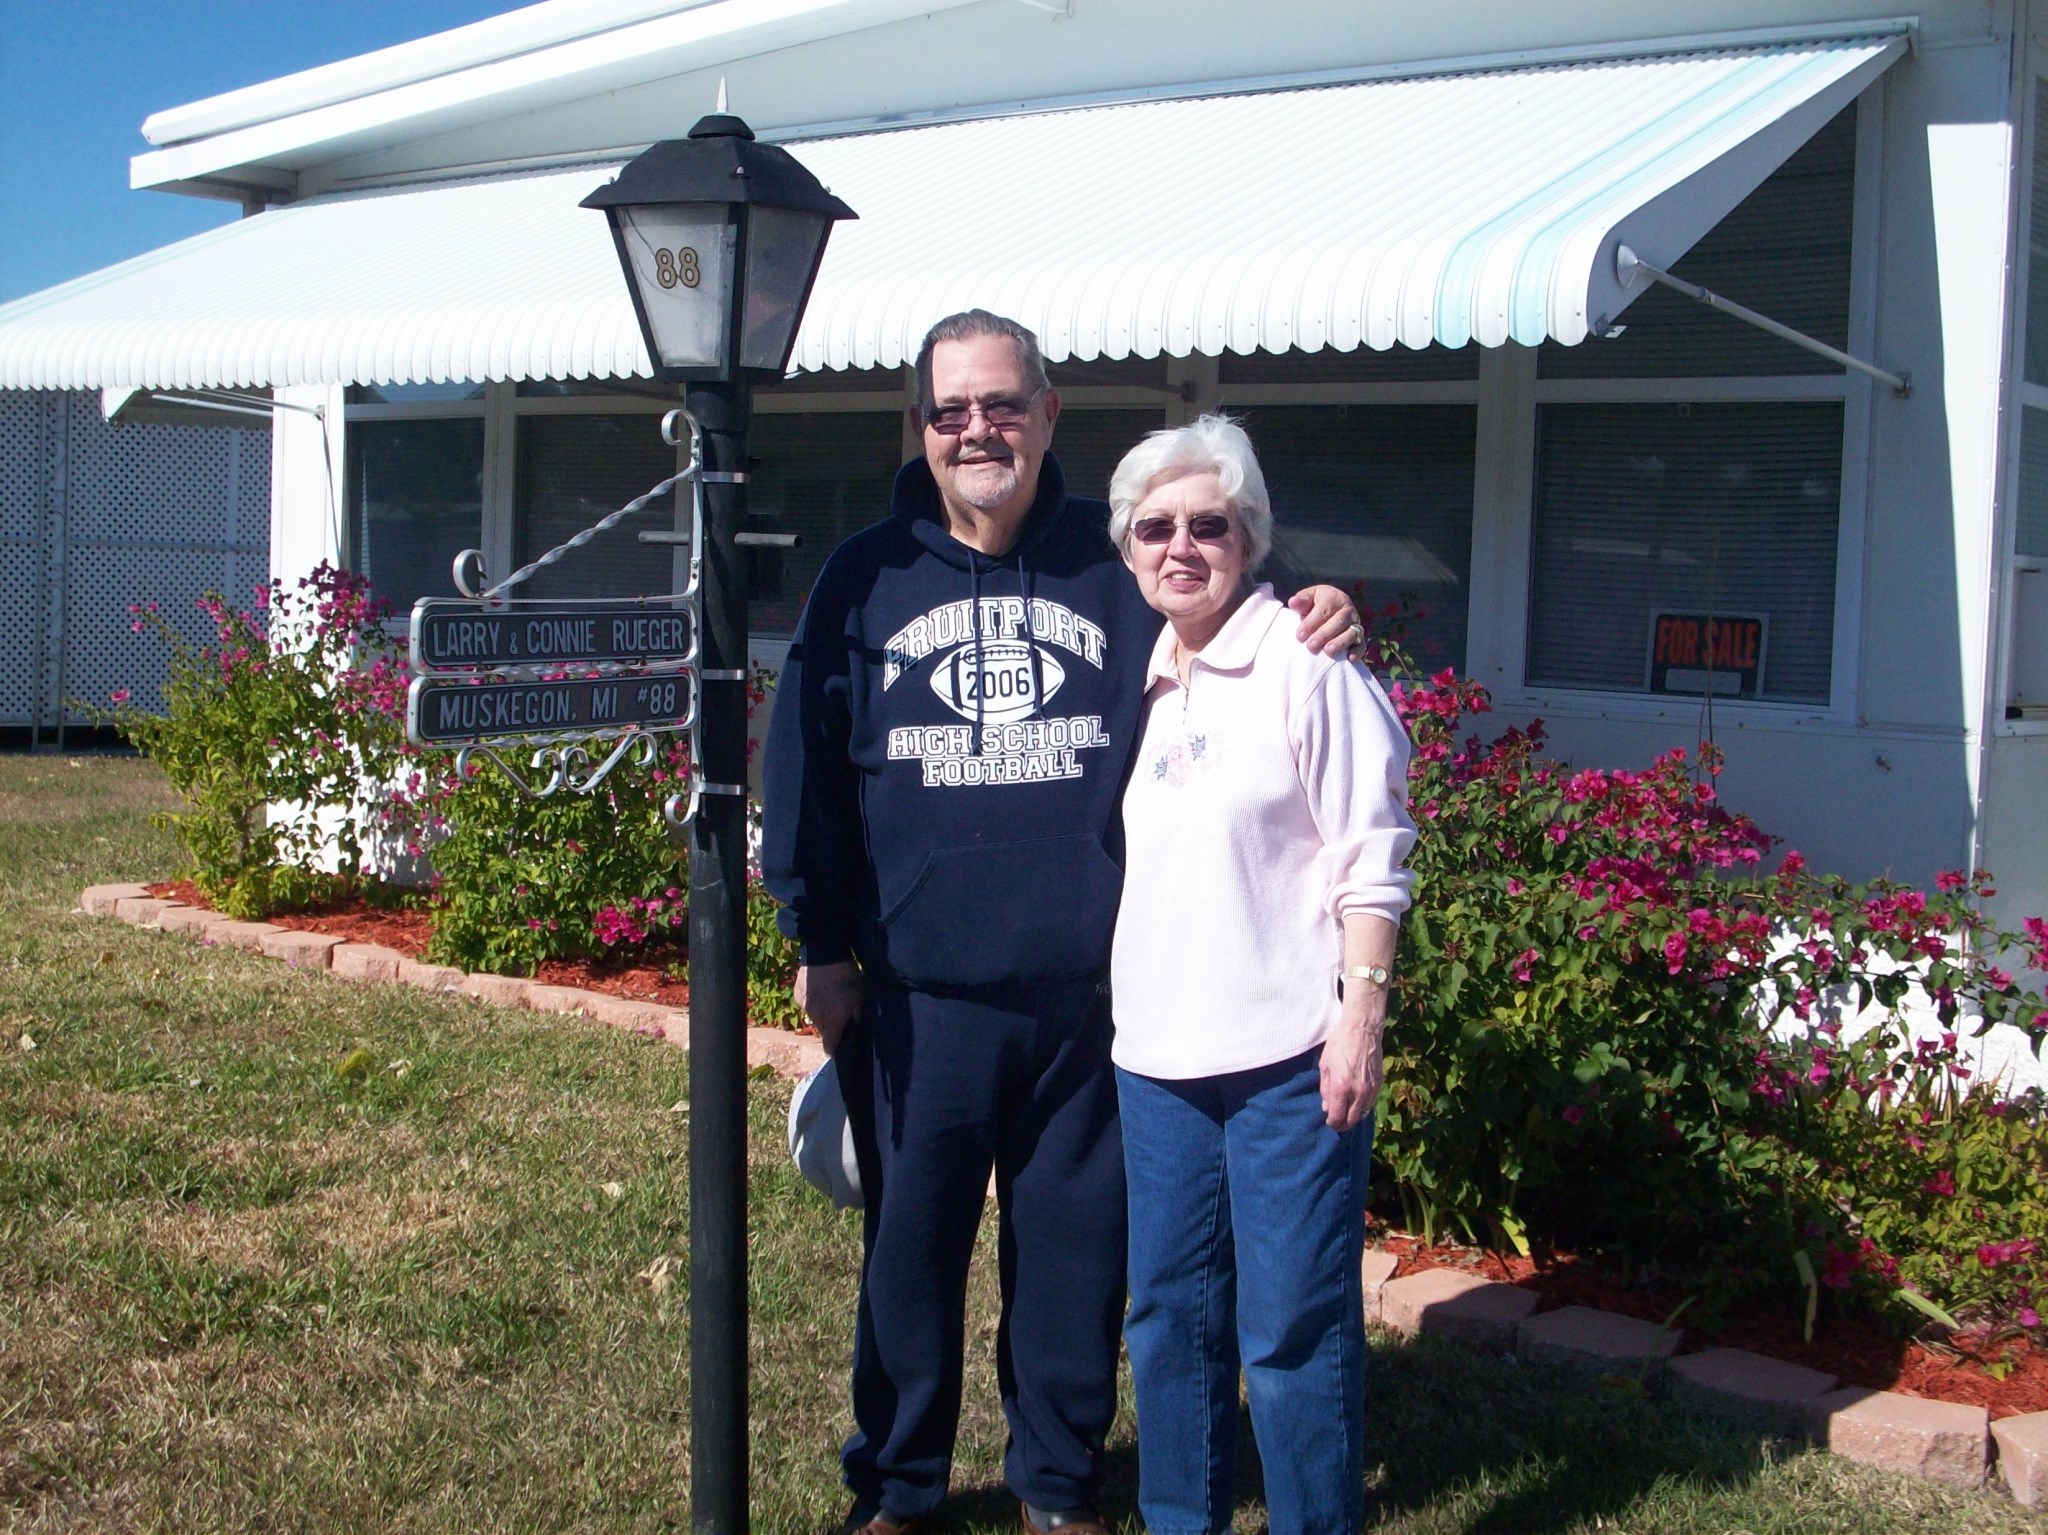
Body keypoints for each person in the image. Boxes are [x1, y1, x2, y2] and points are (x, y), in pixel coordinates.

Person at [761, 311, 1365, 1535]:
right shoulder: (862, 576)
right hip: (918, 992)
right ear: (921, 428)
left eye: (1001, 404)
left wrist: (1327, 604)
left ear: (1047, 414)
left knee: (1073, 1262)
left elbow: (1237, 595)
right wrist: (818, 939)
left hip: (1091, 999)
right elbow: (806, 766)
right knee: (908, 1257)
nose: (976, 429)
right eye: (950, 410)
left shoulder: (1119, 557)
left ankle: (1054, 1480)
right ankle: (898, 1484)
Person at [1106, 415, 1415, 1535]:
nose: (1180, 547)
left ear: (1249, 537)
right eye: (1155, 528)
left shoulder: (1305, 662)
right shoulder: (1133, 675)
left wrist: (1359, 1016)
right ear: (1128, 547)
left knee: (1291, 1329)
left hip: (1290, 1056)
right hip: (1156, 1059)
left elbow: (1372, 852)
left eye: (1208, 524)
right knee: (1167, 1318)